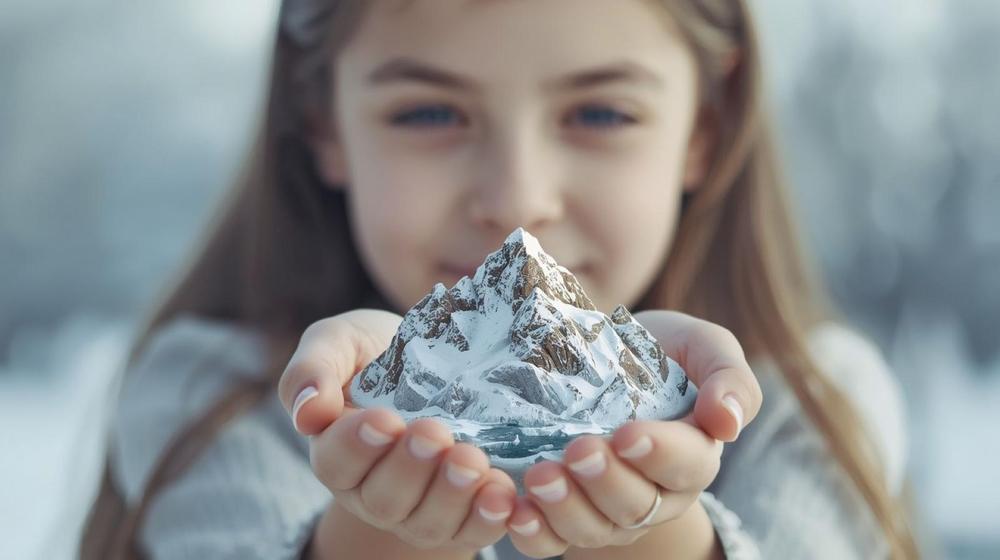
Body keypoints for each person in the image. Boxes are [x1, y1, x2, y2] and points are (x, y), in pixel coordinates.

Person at [80, 0, 920, 558]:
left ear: (706, 126)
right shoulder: (207, 397)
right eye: (429, 112)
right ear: (321, 122)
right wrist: (380, 532)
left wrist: (652, 532)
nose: (517, 203)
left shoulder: (815, 407)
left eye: (600, 114)